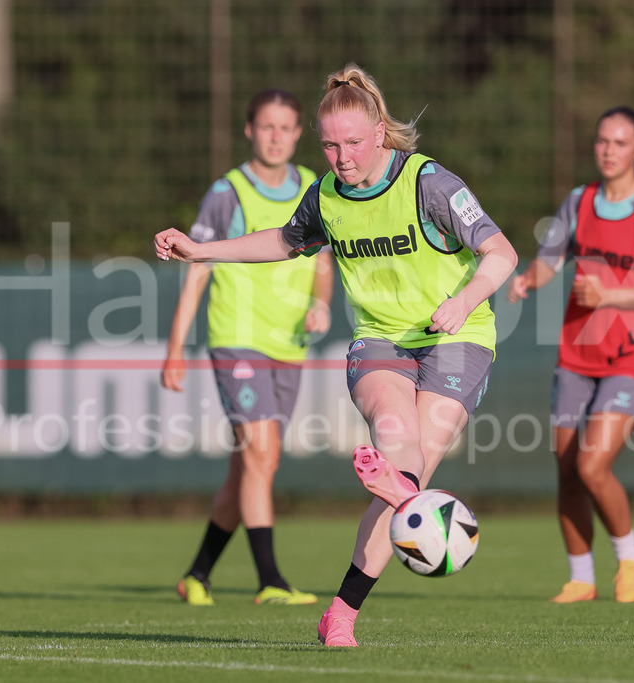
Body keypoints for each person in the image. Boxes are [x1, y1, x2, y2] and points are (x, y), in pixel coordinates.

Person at [155, 63, 518, 646]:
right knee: (398, 435)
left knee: (413, 461)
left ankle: (345, 602)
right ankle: (397, 509)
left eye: (353, 142)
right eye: (330, 145)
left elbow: (501, 253)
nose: (342, 157)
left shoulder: (428, 182)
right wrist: (202, 250)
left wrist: (466, 297)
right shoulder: (326, 195)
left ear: (379, 131)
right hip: (381, 339)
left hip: (458, 333)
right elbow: (281, 241)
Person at [507, 106, 634, 604]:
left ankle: (630, 557)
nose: (609, 150)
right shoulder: (579, 201)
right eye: (602, 141)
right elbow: (551, 257)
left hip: (633, 357)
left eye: (621, 142)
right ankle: (580, 578)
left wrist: (612, 297)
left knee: (592, 467)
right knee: (566, 468)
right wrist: (528, 279)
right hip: (576, 355)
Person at [162, 88, 334, 607]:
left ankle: (197, 574)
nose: (276, 137)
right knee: (260, 456)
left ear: (299, 133)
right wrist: (175, 348)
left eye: (286, 127)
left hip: (291, 345)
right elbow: (197, 271)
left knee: (251, 466)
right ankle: (271, 581)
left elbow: (322, 262)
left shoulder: (315, 187)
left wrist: (322, 303)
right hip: (237, 341)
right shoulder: (228, 191)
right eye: (266, 127)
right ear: (249, 131)